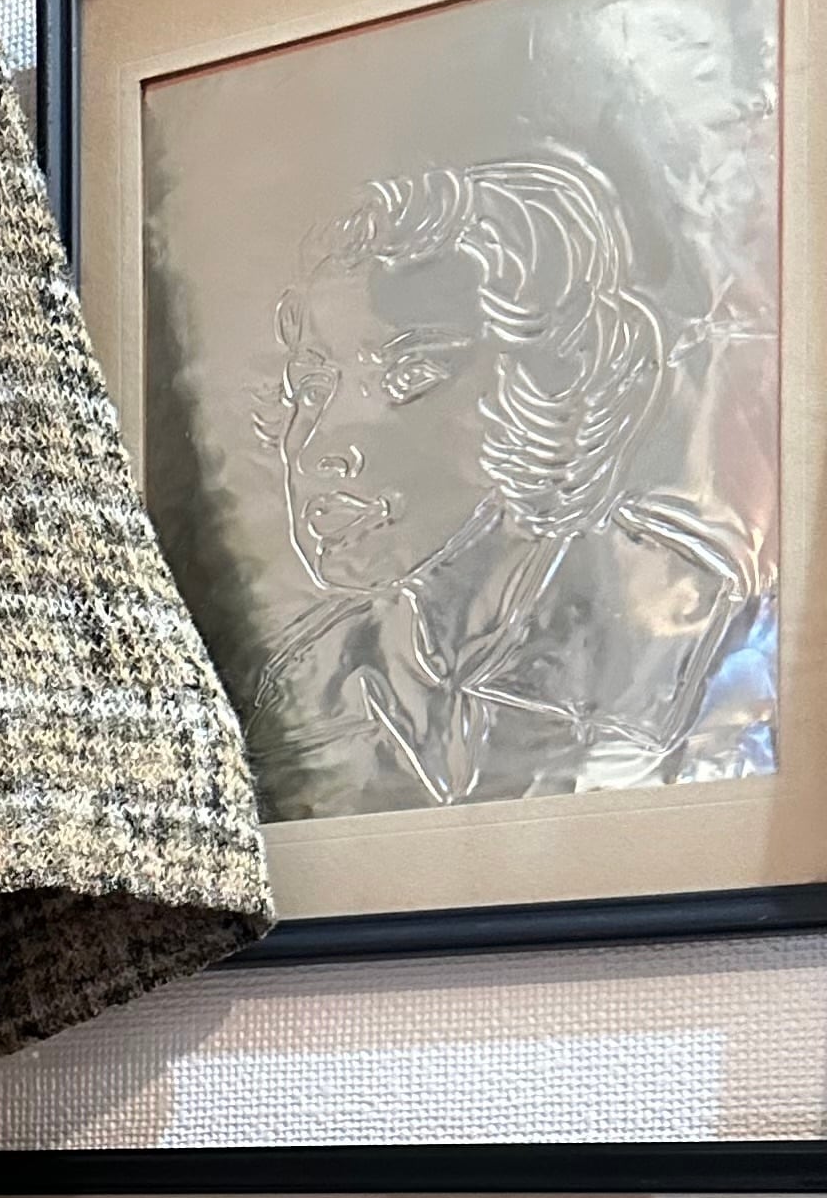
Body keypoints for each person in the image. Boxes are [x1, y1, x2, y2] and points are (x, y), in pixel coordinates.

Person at [246, 152, 765, 816]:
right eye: (311, 387)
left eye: (408, 377)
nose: (324, 445)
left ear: (546, 382)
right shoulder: (308, 685)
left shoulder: (690, 631)